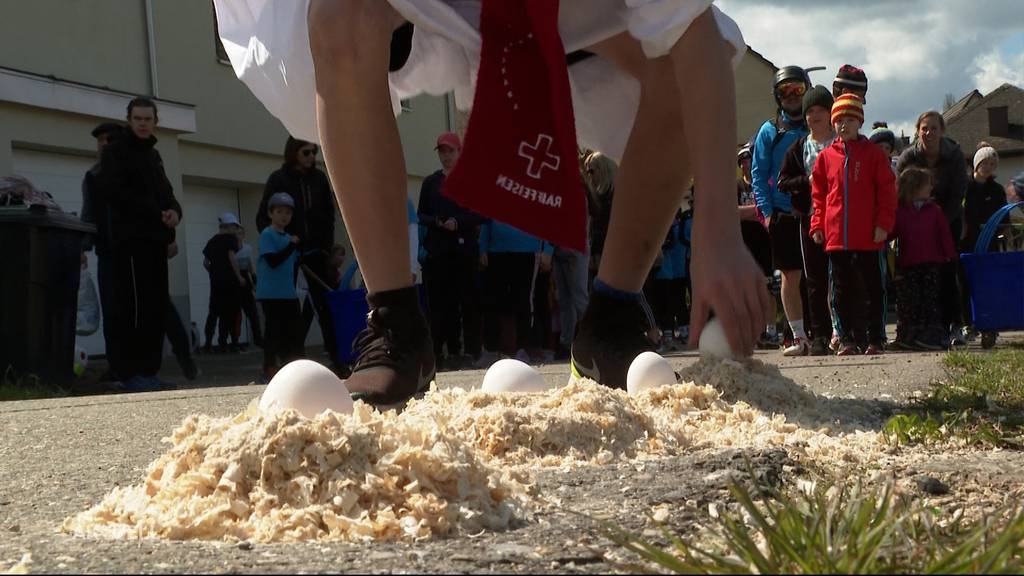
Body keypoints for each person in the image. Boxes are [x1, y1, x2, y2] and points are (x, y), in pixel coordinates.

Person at [215, 0, 770, 401]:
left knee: (683, 65)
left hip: (575, 15)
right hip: (436, 8)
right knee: (340, 13)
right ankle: (396, 327)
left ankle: (610, 318)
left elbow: (691, 35)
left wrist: (717, 231)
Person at [96, 97, 181, 392]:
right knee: (130, 308)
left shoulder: (154, 156)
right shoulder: (116, 152)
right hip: (129, 243)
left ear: (155, 122)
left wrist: (174, 213)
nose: (143, 124)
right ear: (129, 120)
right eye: (138, 118)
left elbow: (167, 193)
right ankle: (129, 373)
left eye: (148, 119)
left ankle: (149, 372)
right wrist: (154, 212)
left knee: (155, 307)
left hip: (155, 243)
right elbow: (115, 193)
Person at [810, 94, 897, 356]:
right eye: (839, 120)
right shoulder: (826, 157)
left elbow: (886, 192)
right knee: (840, 291)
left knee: (872, 288)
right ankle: (846, 338)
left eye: (849, 120)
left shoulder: (873, 154)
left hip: (868, 237)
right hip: (837, 238)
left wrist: (883, 224)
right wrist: (817, 224)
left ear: (859, 122)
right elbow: (818, 195)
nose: (843, 125)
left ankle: (875, 338)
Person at [256, 137, 340, 368]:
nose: (311, 157)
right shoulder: (278, 179)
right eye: (306, 152)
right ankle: (286, 363)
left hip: (316, 253)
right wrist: (281, 240)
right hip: (288, 256)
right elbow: (263, 217)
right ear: (293, 153)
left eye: (314, 152)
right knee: (286, 317)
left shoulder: (320, 179)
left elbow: (328, 216)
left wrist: (325, 247)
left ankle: (338, 359)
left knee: (325, 309)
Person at [752, 65, 812, 356]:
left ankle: (821, 333)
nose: (790, 95)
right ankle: (796, 335)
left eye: (797, 89)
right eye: (784, 91)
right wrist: (766, 213)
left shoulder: (816, 125)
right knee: (790, 275)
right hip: (782, 213)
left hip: (814, 212)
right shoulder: (770, 130)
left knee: (816, 275)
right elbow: (758, 173)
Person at [896, 111, 969, 347]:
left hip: (946, 217)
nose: (929, 133)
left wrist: (938, 223)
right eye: (924, 128)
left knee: (948, 274)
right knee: (914, 285)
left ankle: (955, 325)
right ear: (918, 130)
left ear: (942, 130)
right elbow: (900, 192)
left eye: (934, 128)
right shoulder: (909, 157)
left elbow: (959, 192)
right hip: (914, 223)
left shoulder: (954, 154)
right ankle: (914, 332)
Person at [417, 132, 484, 369]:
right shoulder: (430, 182)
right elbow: (421, 215)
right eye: (442, 152)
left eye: (450, 151)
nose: (446, 156)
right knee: (439, 304)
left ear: (459, 152)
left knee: (467, 302)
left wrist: (459, 222)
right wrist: (437, 221)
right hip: (438, 252)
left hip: (464, 252)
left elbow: (480, 214)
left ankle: (469, 351)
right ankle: (440, 351)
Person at [777, 85, 836, 356]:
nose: (814, 116)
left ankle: (845, 332)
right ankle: (820, 335)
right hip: (809, 220)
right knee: (815, 280)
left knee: (842, 277)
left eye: (820, 110)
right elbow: (783, 182)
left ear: (830, 113)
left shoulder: (841, 143)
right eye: (809, 111)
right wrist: (807, 181)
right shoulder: (799, 147)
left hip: (840, 220)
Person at [888, 167, 956, 351]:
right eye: (927, 186)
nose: (930, 189)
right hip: (908, 264)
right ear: (914, 187)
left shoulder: (934, 211)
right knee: (908, 301)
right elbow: (892, 232)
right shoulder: (900, 212)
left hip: (932, 263)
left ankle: (931, 336)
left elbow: (944, 235)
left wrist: (949, 255)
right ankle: (908, 335)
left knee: (930, 300)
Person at [80, 122, 123, 381]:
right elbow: (89, 214)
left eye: (110, 140)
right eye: (101, 141)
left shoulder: (132, 172)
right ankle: (117, 367)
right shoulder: (93, 176)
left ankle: (137, 367)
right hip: (108, 250)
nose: (105, 145)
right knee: (112, 311)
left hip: (136, 251)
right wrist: (83, 248)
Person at [479, 219, 554, 363]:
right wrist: (482, 247)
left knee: (524, 301)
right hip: (496, 251)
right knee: (492, 302)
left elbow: (547, 215)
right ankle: (491, 350)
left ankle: (523, 349)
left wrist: (548, 250)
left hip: (528, 250)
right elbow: (487, 214)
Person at [256, 193, 305, 379]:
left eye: (288, 213)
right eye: (279, 212)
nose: (284, 216)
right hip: (270, 294)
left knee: (293, 332)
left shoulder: (288, 238)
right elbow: (273, 261)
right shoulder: (268, 235)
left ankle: (290, 367)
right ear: (270, 213)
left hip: (288, 293)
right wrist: (292, 246)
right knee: (273, 332)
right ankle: (269, 367)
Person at [961, 146, 1005, 344]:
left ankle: (990, 325)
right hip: (968, 242)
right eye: (985, 162)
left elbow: (1002, 215)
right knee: (966, 284)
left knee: (989, 284)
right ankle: (968, 323)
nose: (988, 167)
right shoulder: (966, 188)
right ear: (977, 164)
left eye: (992, 164)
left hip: (990, 243)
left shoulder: (996, 190)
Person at [737, 143, 779, 348]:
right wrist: (758, 210)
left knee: (768, 287)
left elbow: (769, 207)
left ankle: (771, 330)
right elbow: (732, 212)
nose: (746, 165)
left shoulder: (764, 183)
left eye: (749, 161)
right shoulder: (736, 186)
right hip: (744, 245)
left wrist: (750, 212)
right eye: (743, 162)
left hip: (765, 243)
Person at [202, 213, 245, 354]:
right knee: (229, 313)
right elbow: (231, 257)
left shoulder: (212, 241)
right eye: (235, 226)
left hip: (215, 283)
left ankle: (208, 343)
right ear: (229, 226)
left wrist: (214, 272)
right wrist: (238, 276)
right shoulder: (230, 239)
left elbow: (206, 262)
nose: (235, 229)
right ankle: (226, 344)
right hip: (230, 283)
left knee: (213, 313)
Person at [233, 226, 263, 349]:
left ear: (243, 235)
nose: (238, 236)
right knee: (235, 314)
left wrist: (255, 280)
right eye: (236, 234)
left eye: (240, 233)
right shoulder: (231, 249)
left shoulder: (247, 249)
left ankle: (258, 339)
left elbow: (251, 265)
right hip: (234, 279)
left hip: (245, 278)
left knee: (252, 312)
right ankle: (235, 341)